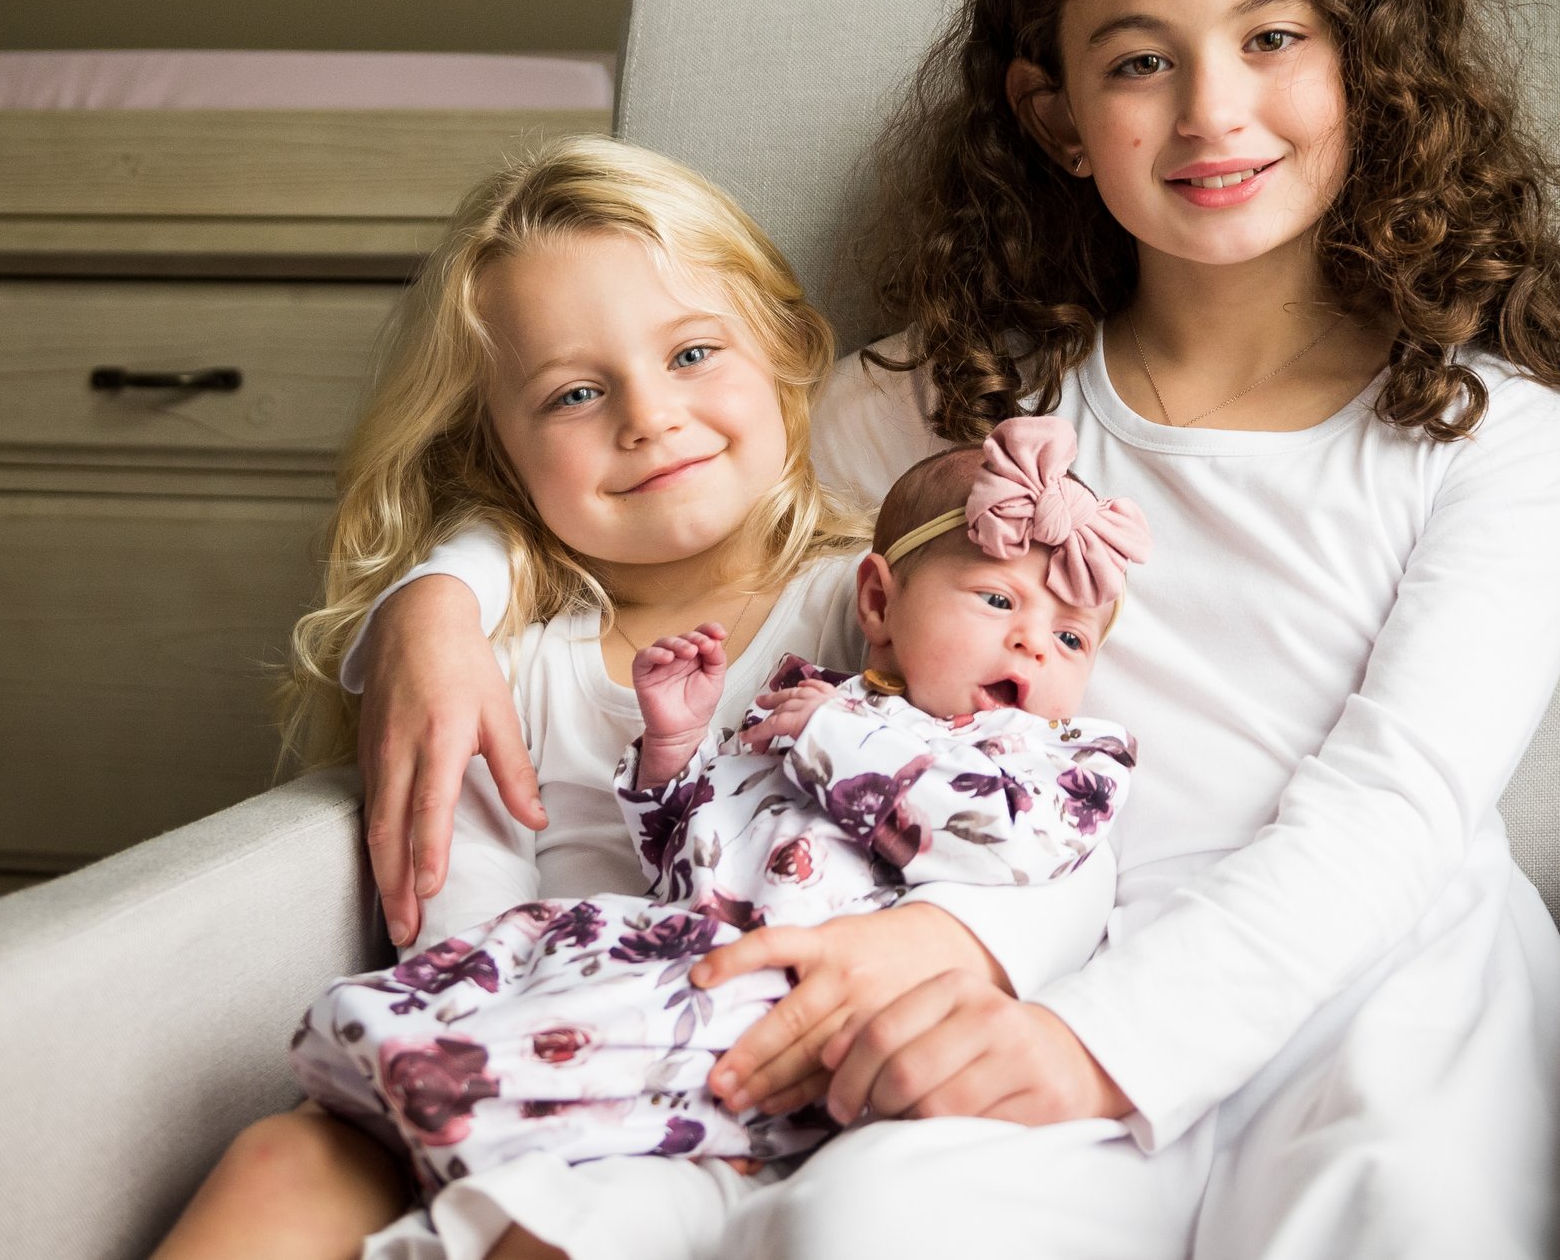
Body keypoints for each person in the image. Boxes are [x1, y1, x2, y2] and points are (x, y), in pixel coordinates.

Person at [357, 0, 1560, 1259]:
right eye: (1139, 62)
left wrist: (1101, 1044)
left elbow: (1395, 811)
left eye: (1272, 37)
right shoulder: (959, 393)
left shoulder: (1491, 437)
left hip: (1380, 990)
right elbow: (674, 474)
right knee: (861, 1230)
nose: (1211, 111)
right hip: (1028, 963)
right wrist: (440, 597)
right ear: (1055, 116)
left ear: (1364, 59)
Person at [152, 139, 1112, 1260]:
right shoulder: (502, 660)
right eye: (573, 392)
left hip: (752, 1089)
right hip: (541, 1055)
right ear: (498, 449)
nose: (649, 417)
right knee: (280, 1159)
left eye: (693, 352)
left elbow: (1053, 826)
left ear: (784, 351)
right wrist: (445, 590)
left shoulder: (880, 611)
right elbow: (458, 921)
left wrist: (944, 948)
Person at [291, 417, 1145, 1239]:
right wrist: (673, 754)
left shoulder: (1064, 758)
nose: (1034, 645)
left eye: (1071, 637)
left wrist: (834, 737)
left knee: (614, 1026)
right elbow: (692, 856)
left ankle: (459, 1088)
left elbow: (998, 833)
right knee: (546, 945)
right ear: (880, 601)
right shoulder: (811, 701)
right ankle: (411, 1050)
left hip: (803, 1007)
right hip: (683, 943)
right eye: (998, 599)